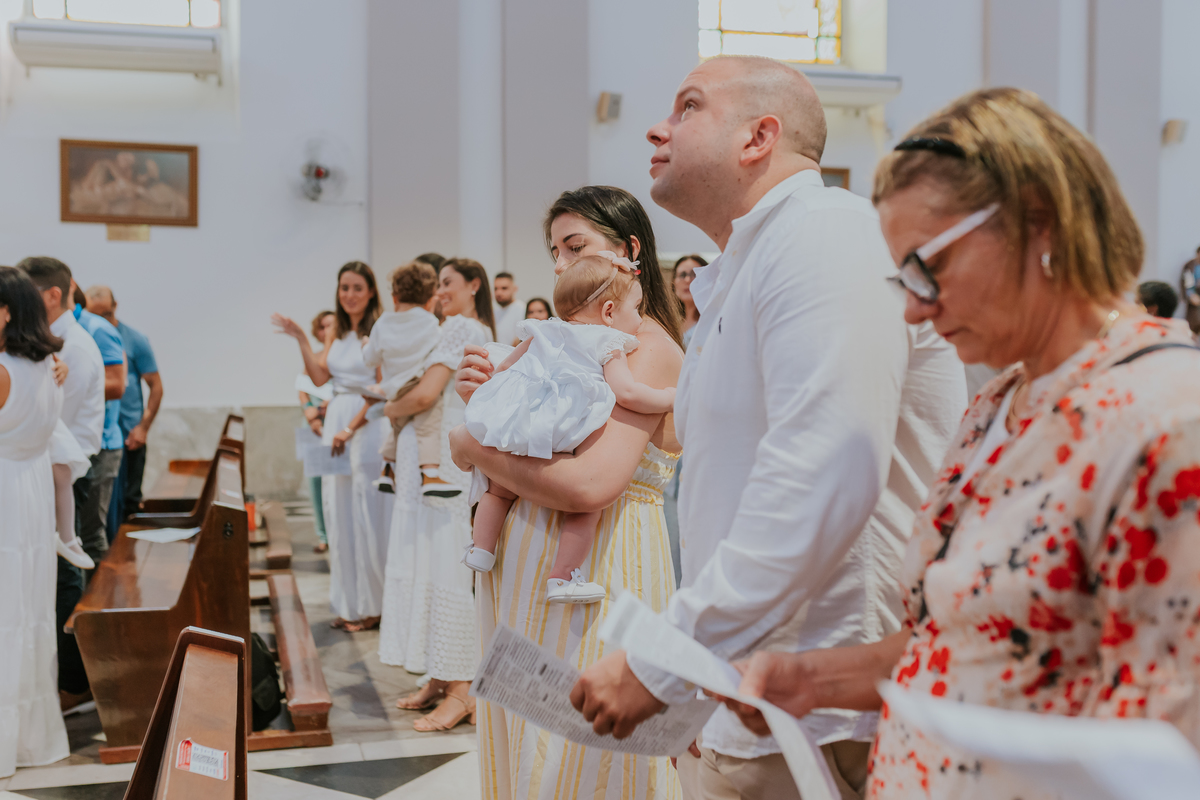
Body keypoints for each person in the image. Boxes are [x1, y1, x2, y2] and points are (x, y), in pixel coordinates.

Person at [714, 87, 1200, 800]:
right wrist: (814, 678)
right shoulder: (998, 403)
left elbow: (1166, 728)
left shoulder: (1164, 418)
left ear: (1038, 222)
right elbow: (962, 637)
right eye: (901, 276)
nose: (913, 305)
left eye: (927, 264)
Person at [568, 57, 967, 800]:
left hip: (823, 710)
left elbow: (823, 473)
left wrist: (669, 661)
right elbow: (725, 491)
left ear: (759, 137)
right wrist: (694, 681)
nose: (657, 127)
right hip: (749, 691)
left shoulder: (824, 234)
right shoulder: (740, 266)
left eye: (687, 107)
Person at [450, 185, 684, 799]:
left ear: (629, 251)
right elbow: (538, 441)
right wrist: (490, 403)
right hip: (532, 558)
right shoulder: (564, 341)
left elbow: (592, 483)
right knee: (529, 747)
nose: (559, 264)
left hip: (603, 562)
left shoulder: (648, 347)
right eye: (554, 250)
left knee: (582, 755)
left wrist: (473, 445)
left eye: (574, 246)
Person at [461, 252, 676, 605]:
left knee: (498, 490)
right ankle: (563, 577)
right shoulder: (610, 342)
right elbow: (629, 393)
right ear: (609, 312)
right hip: (563, 427)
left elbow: (505, 370)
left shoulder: (543, 329)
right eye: (635, 308)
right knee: (585, 509)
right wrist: (669, 397)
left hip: (523, 419)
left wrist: (492, 403)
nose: (639, 318)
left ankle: (480, 549)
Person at [378, 257, 494, 732]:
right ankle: (438, 675)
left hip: (443, 465)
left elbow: (426, 396)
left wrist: (389, 405)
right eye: (438, 284)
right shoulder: (447, 328)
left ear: (473, 286)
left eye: (449, 283)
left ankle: (462, 690)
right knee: (426, 561)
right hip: (421, 469)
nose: (440, 291)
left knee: (446, 567)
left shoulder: (463, 327)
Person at [272, 261, 392, 632]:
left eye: (357, 287)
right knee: (338, 515)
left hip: (367, 424)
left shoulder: (380, 330)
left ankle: (377, 606)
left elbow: (381, 389)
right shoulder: (336, 331)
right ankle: (351, 606)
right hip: (337, 419)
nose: (349, 295)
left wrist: (350, 428)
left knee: (367, 515)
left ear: (371, 291)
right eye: (344, 288)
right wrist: (301, 339)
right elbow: (320, 375)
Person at [0, 266, 71, 777]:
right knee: (25, 614)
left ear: (3, 312)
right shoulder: (49, 366)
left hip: (5, 494)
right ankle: (28, 738)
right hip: (29, 495)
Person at [363, 261, 458, 498]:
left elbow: (370, 359)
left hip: (393, 390)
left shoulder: (382, 322)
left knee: (396, 427)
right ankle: (430, 474)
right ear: (430, 299)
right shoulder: (431, 324)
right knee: (427, 427)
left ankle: (386, 470)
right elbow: (439, 351)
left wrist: (366, 345)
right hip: (417, 385)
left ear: (395, 297)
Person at [84, 285, 163, 525]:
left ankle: (128, 559)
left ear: (115, 307)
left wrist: (143, 427)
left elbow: (156, 386)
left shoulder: (135, 339)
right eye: (95, 315)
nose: (102, 321)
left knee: (129, 502)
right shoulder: (86, 337)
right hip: (101, 434)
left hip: (130, 434)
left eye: (106, 314)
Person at [300, 310, 336, 553]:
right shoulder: (313, 357)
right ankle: (323, 535)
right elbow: (302, 387)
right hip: (314, 422)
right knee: (315, 480)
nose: (327, 331)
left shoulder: (342, 356)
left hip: (336, 420)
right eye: (322, 327)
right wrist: (308, 411)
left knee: (335, 479)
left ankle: (337, 532)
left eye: (331, 326)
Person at [672, 254, 706, 349]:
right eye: (682, 275)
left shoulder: (713, 320)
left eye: (694, 274)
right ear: (674, 283)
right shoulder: (670, 322)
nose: (687, 280)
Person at [492, 271, 523, 346]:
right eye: (496, 289)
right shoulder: (494, 312)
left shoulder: (522, 309)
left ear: (515, 289)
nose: (498, 293)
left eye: (504, 288)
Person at [1180, 245, 1200, 334]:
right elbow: (1187, 283)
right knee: (1194, 320)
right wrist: (1191, 295)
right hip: (1194, 296)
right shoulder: (1190, 266)